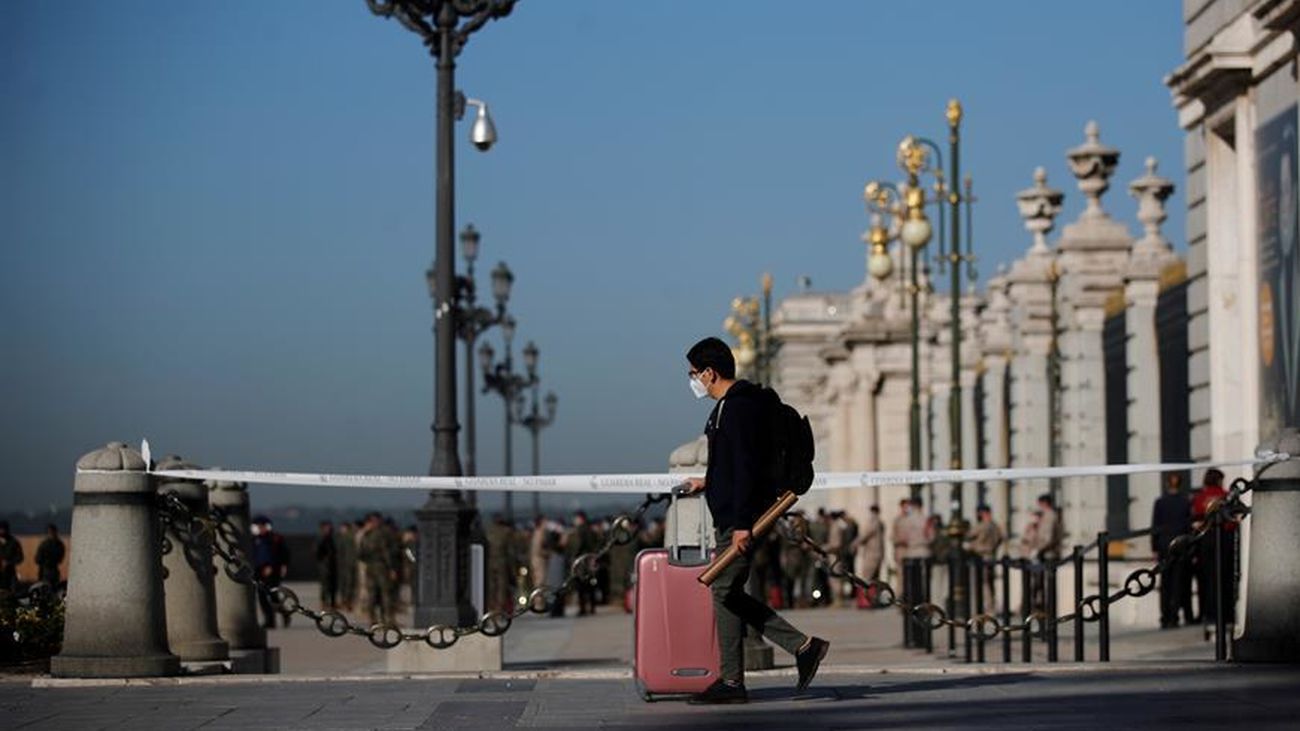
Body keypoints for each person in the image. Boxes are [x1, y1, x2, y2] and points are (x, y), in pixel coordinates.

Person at [682, 337, 828, 704]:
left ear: (709, 372)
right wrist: (707, 481)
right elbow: (734, 465)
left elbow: (746, 468)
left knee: (722, 589)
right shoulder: (733, 406)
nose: (693, 381)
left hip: (740, 517)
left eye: (693, 374)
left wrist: (744, 523)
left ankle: (736, 680)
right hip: (734, 513)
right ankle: (799, 649)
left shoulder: (737, 408)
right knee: (727, 590)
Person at [1192, 468, 1237, 631]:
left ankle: (1210, 616)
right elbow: (1232, 522)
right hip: (1224, 539)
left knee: (1208, 580)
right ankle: (1228, 616)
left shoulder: (1199, 498)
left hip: (1206, 541)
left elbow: (1195, 521)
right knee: (1226, 579)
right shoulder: (1225, 496)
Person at [1152, 474, 1193, 628]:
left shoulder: (1160, 502)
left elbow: (1155, 525)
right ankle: (1174, 616)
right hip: (1181, 545)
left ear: (1166, 484)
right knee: (1178, 582)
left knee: (1165, 583)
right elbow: (1188, 526)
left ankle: (1165, 616)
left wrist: (1154, 547)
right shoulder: (1185, 502)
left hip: (1164, 545)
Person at [356, 513, 397, 624]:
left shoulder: (366, 534)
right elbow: (386, 552)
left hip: (371, 567)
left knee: (374, 594)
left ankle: (374, 619)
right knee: (384, 594)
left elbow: (360, 554)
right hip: (381, 567)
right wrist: (392, 568)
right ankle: (386, 619)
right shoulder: (383, 533)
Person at [251, 515, 291, 629]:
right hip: (258, 571)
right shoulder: (254, 539)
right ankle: (270, 620)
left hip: (273, 570)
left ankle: (284, 613)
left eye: (262, 526)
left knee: (273, 596)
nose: (260, 528)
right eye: (258, 526)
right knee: (262, 597)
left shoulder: (275, 538)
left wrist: (279, 566)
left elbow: (283, 554)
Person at [966, 506, 1004, 611]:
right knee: (990, 582)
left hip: (981, 556)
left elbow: (969, 535)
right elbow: (1000, 539)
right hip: (991, 555)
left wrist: (973, 545)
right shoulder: (995, 526)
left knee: (983, 582)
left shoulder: (981, 526)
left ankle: (985, 605)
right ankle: (991, 604)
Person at [853, 505, 885, 607]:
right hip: (876, 553)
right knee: (874, 579)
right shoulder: (879, 522)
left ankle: (866, 601)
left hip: (872, 553)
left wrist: (854, 543)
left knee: (867, 578)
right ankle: (873, 600)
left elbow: (866, 534)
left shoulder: (874, 522)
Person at [315, 521, 338, 609]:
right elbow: (317, 551)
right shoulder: (321, 538)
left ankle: (332, 602)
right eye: (328, 528)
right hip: (325, 565)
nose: (330, 529)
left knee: (333, 584)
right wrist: (323, 560)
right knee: (325, 584)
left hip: (332, 564)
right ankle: (324, 602)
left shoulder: (331, 538)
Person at [35, 524, 66, 588]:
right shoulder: (44, 544)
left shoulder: (59, 545)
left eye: (53, 532)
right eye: (50, 532)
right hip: (45, 570)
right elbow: (37, 559)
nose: (52, 534)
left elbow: (60, 558)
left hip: (53, 569)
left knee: (53, 588)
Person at [335, 521, 358, 611]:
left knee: (348, 584)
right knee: (347, 583)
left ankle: (347, 601)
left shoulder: (346, 537)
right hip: (347, 563)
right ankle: (346, 601)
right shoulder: (347, 537)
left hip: (347, 563)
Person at [0, 521, 25, 592]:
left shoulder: (13, 542)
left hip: (10, 574)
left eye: (4, 529)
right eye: (1, 529)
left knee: (11, 594)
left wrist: (9, 562)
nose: (2, 531)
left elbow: (20, 557)